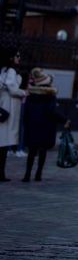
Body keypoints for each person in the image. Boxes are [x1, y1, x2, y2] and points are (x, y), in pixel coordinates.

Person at [21, 68, 70, 182]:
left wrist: (27, 123)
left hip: (32, 124)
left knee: (32, 151)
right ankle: (38, 174)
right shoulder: (50, 95)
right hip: (45, 125)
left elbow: (26, 112)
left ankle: (27, 174)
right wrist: (64, 120)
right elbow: (51, 112)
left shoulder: (31, 94)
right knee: (43, 151)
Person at [0, 48, 26, 182]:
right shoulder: (10, 71)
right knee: (3, 142)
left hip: (5, 105)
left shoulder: (4, 70)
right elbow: (12, 89)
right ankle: (1, 173)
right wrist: (24, 92)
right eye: (17, 55)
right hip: (8, 106)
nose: (19, 58)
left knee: (3, 142)